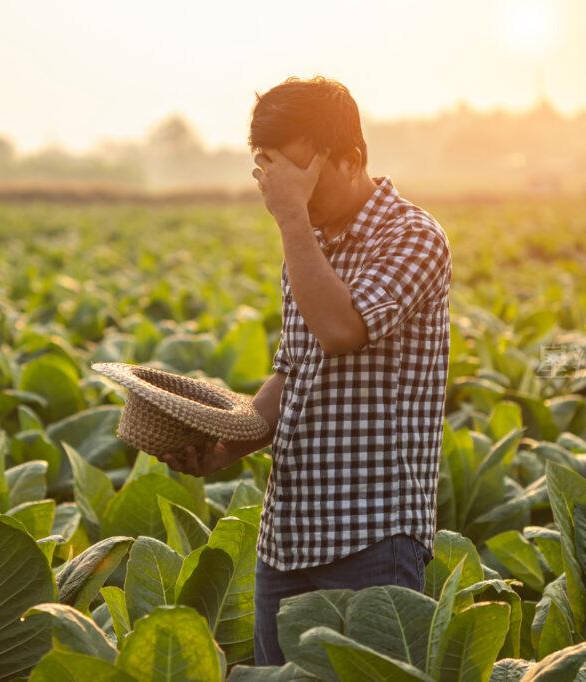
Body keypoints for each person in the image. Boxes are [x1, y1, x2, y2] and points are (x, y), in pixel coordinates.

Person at [156, 76, 452, 666]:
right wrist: (226, 443)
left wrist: (290, 216)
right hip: (287, 537)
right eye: (274, 177)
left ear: (350, 159)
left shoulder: (414, 236)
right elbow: (296, 371)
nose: (291, 195)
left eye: (302, 175)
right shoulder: (310, 242)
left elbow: (340, 331)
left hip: (374, 534)